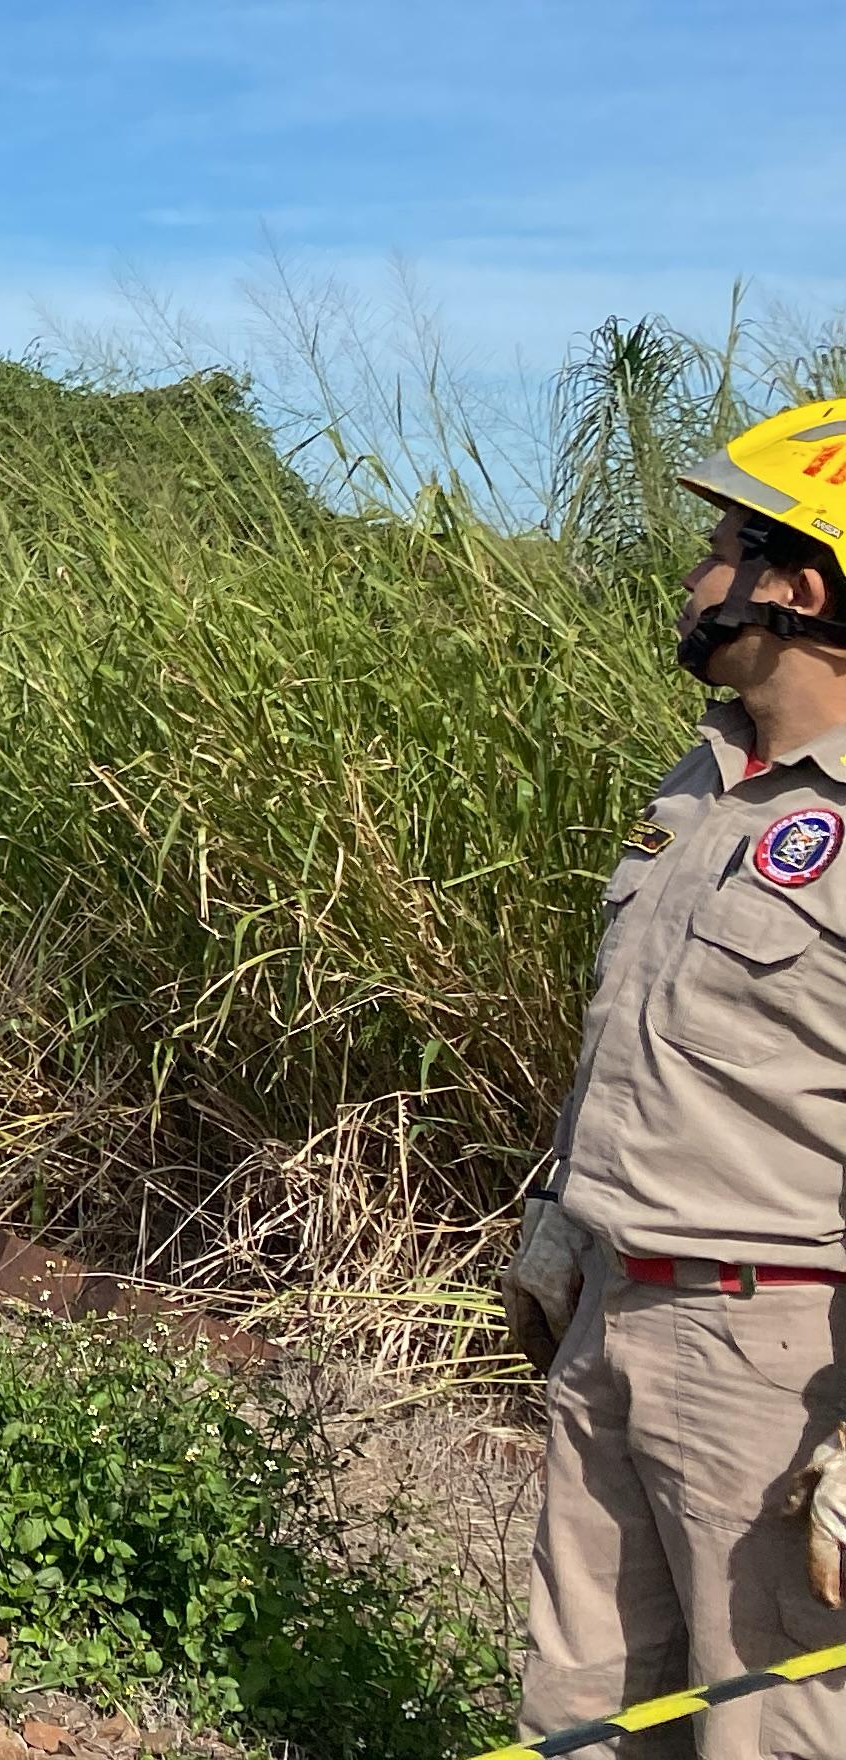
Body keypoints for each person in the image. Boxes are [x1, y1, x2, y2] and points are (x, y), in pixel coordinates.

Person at [506, 401, 846, 1755]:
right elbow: (641, 1039)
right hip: (613, 1315)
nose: (696, 575)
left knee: (767, 1733)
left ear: (799, 585)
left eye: (721, 547)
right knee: (579, 1714)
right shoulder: (698, 788)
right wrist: (559, 1224)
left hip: (773, 1367)